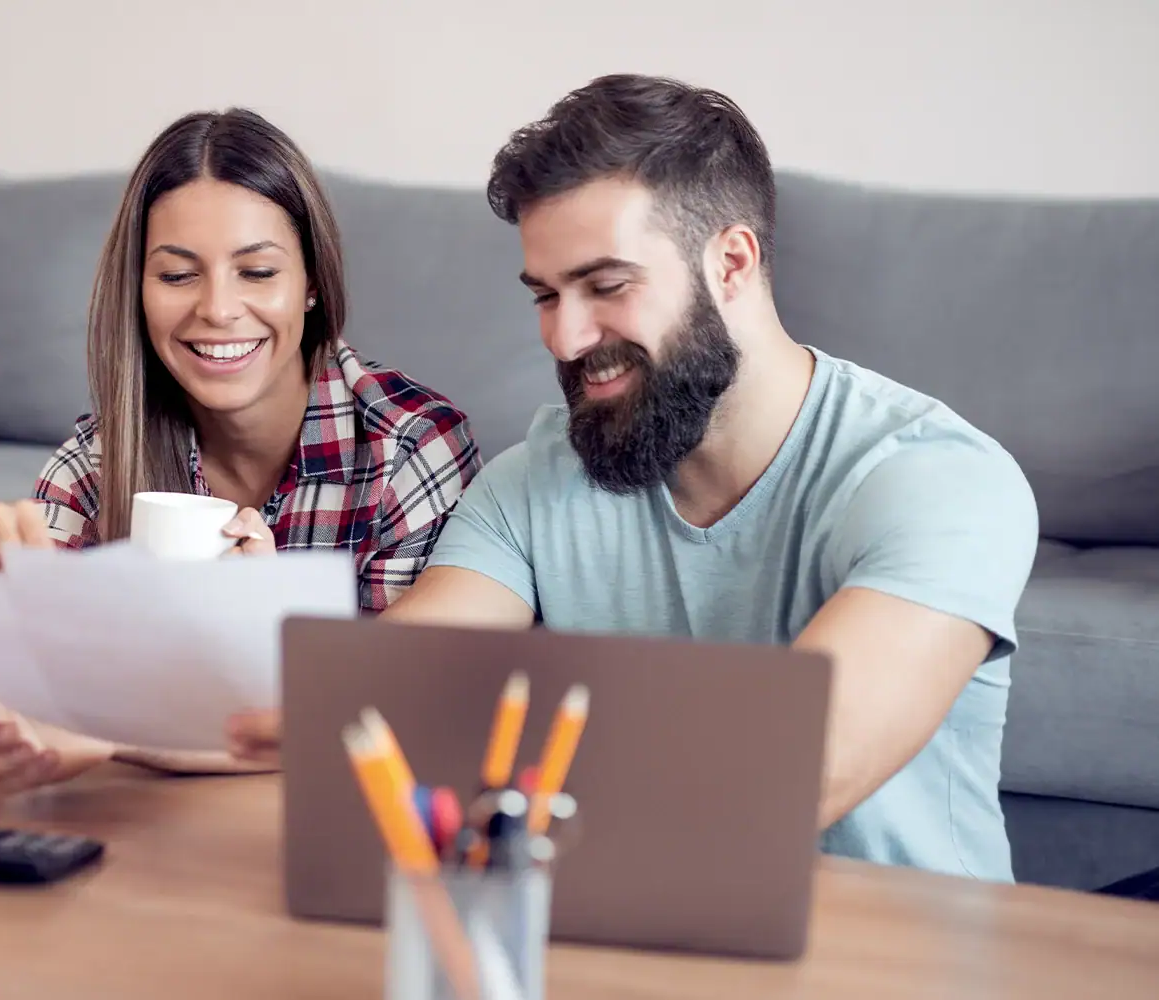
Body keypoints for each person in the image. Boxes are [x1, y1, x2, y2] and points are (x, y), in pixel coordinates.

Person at [233, 75, 1040, 882]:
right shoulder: (535, 481)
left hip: (897, 958)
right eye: (546, 295)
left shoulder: (941, 481)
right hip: (628, 937)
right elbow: (400, 683)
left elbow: (794, 779)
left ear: (731, 262)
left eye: (606, 286)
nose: (565, 335)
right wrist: (286, 668)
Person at [0, 108, 480, 792]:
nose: (218, 310)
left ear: (311, 283)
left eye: (256, 272)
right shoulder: (97, 461)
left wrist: (108, 719)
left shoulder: (409, 449)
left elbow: (398, 712)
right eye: (177, 276)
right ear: (137, 291)